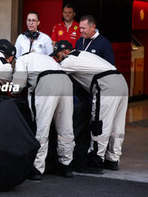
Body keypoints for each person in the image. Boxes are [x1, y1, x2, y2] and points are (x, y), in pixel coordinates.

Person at [52, 40, 128, 174]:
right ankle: (112, 160)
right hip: (121, 81)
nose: (56, 59)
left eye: (57, 56)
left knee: (100, 124)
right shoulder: (83, 54)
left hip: (105, 85)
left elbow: (54, 75)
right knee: (117, 125)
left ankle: (96, 161)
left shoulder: (69, 60)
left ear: (64, 52)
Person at [12, 51, 75, 180]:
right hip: (65, 81)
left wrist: (14, 91)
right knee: (66, 126)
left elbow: (18, 83)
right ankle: (66, 165)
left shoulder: (22, 59)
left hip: (46, 83)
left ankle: (37, 168)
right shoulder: (46, 58)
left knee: (41, 126)